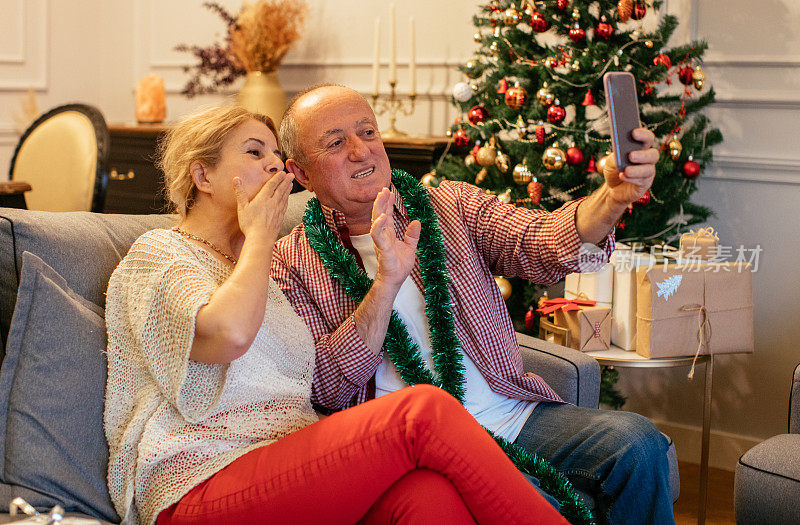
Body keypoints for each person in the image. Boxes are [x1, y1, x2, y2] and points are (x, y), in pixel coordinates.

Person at [103, 105, 568, 525]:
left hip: (285, 465)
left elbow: (322, 383)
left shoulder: (266, 271)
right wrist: (260, 236)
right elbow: (228, 333)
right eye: (253, 152)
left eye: (275, 154)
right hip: (198, 483)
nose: (272, 164)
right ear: (203, 177)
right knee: (421, 411)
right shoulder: (160, 254)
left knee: (426, 495)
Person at [271, 84, 673, 524]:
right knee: (538, 502)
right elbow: (326, 386)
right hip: (416, 447)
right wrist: (386, 282)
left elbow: (540, 242)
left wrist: (610, 198)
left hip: (512, 413)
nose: (360, 151)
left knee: (637, 441)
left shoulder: (450, 206)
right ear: (301, 173)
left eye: (367, 132)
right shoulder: (288, 264)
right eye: (335, 142)